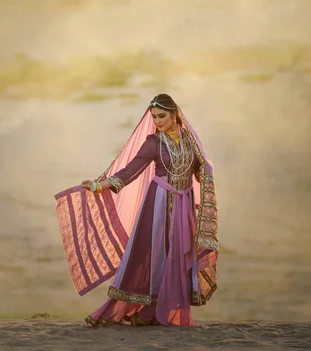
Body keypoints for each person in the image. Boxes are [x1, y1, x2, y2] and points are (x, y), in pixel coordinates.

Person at [54, 94, 219, 327]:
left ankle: (165, 309)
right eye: (154, 117)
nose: (157, 121)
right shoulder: (154, 142)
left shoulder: (191, 141)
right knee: (153, 254)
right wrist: (98, 186)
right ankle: (143, 308)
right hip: (158, 203)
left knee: (178, 256)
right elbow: (130, 171)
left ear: (175, 114)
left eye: (162, 116)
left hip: (184, 206)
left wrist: (206, 172)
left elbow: (199, 170)